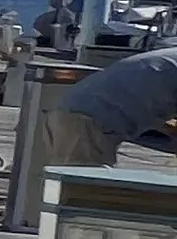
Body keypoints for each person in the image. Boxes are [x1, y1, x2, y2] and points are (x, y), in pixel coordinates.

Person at [44, 46, 177, 170]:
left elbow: (144, 98)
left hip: (80, 113)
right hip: (88, 120)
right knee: (84, 188)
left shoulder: (169, 60)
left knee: (76, 188)